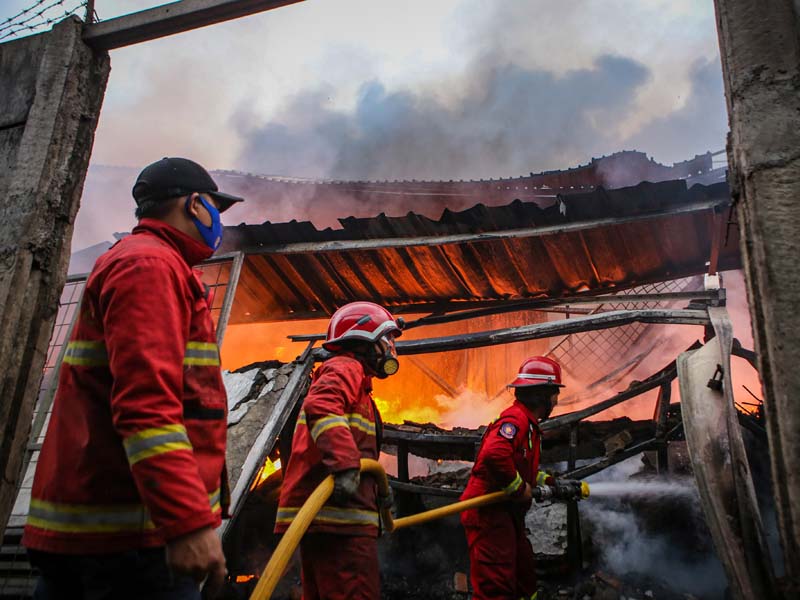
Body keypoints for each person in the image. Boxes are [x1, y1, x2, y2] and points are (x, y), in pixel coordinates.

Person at [23, 157, 244, 599]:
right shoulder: (149, 266)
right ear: (196, 204)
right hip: (131, 548)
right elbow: (148, 407)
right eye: (216, 208)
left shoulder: (149, 263)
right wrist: (187, 524)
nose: (217, 221)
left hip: (118, 537)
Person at [275, 301, 402, 600]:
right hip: (338, 523)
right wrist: (346, 467)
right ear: (363, 340)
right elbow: (321, 406)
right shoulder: (346, 367)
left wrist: (379, 493)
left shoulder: (356, 381)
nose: (391, 349)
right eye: (387, 340)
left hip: (330, 520)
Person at [460, 356, 566, 600]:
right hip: (488, 512)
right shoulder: (516, 420)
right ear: (542, 395)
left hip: (506, 514)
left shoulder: (527, 423)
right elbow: (494, 455)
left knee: (524, 579)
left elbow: (519, 464)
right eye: (554, 393)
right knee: (496, 586)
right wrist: (519, 489)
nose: (556, 400)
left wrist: (544, 481)